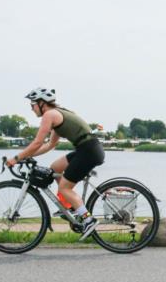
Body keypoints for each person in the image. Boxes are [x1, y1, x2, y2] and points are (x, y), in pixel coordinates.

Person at [8, 88, 105, 239]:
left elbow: (37, 142)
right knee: (55, 168)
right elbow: (49, 145)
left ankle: (88, 219)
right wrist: (27, 156)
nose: (31, 109)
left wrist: (16, 158)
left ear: (41, 103)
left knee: (64, 187)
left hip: (88, 151)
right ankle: (70, 207)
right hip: (87, 149)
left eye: (32, 105)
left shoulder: (49, 115)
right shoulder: (57, 114)